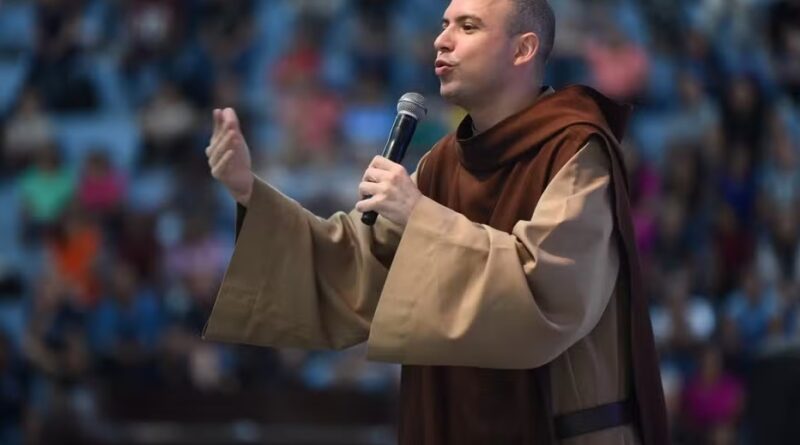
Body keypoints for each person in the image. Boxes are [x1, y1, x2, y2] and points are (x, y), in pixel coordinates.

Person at [203, 0, 668, 443]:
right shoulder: (440, 164)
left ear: (523, 49)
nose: (441, 40)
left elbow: (547, 294)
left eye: (468, 26)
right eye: (444, 24)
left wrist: (419, 215)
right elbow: (353, 265)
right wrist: (248, 191)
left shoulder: (576, 151)